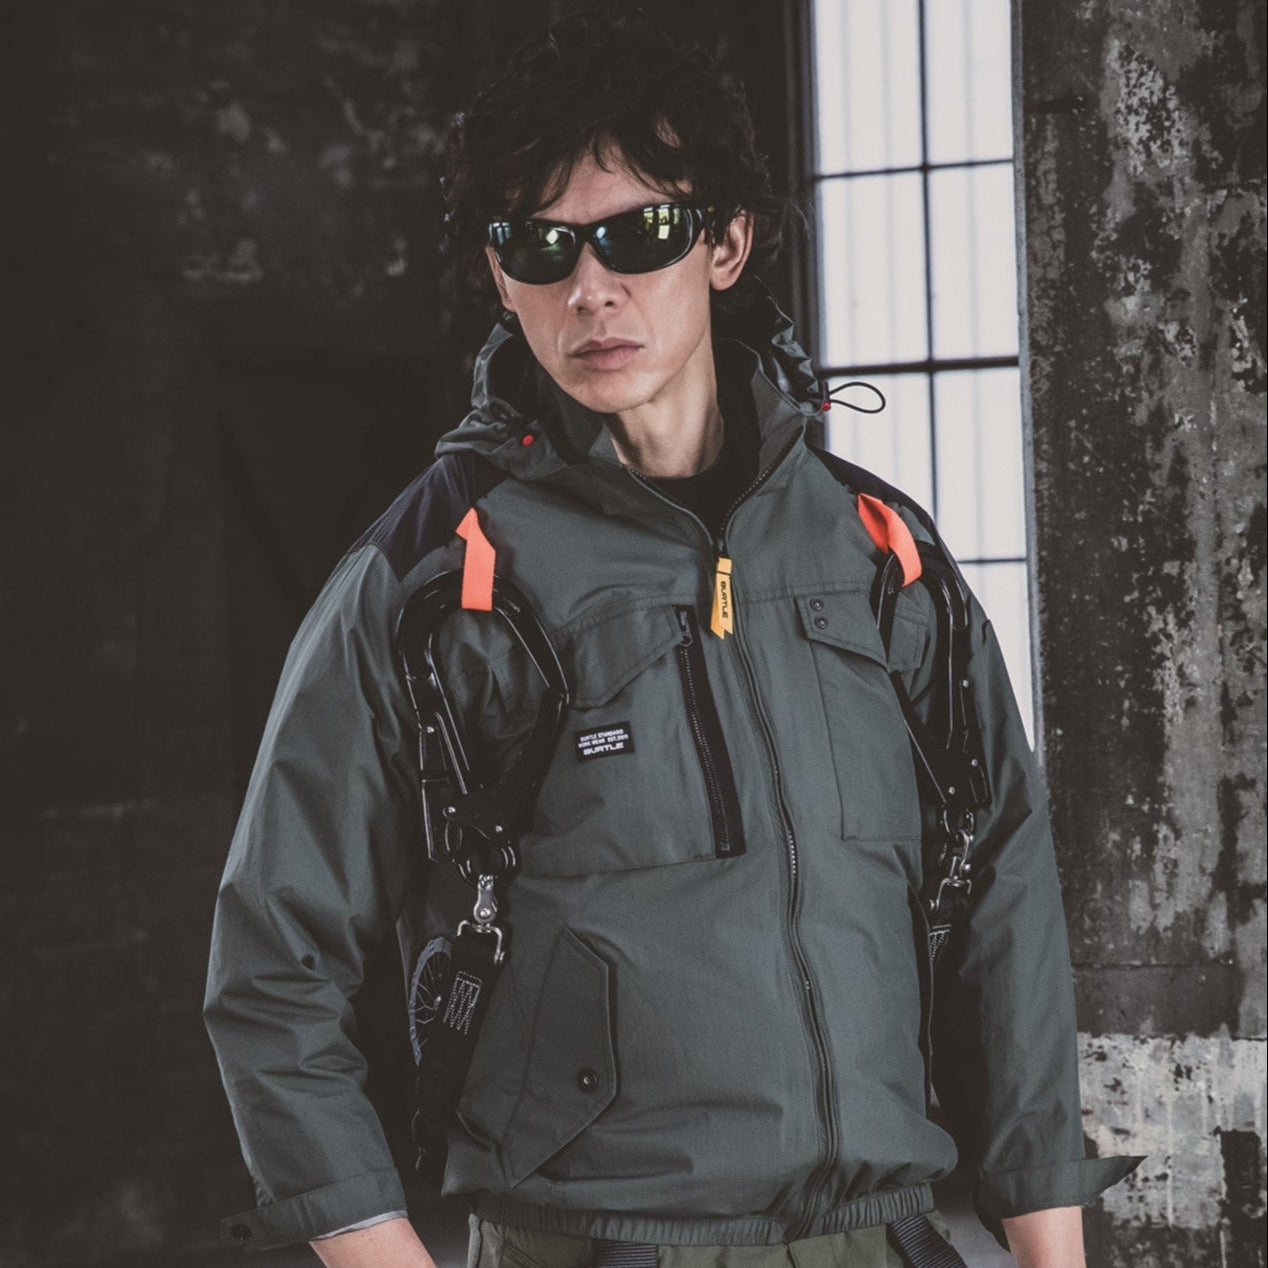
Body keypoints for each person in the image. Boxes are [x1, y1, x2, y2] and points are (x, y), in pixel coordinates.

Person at [203, 12, 1144, 1268]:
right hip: (597, 1238)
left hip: (884, 1236)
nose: (589, 288)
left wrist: (1049, 1251)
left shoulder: (879, 550)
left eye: (638, 232)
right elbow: (274, 965)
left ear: (724, 242)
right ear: (499, 276)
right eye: (540, 246)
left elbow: (1003, 907)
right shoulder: (433, 575)